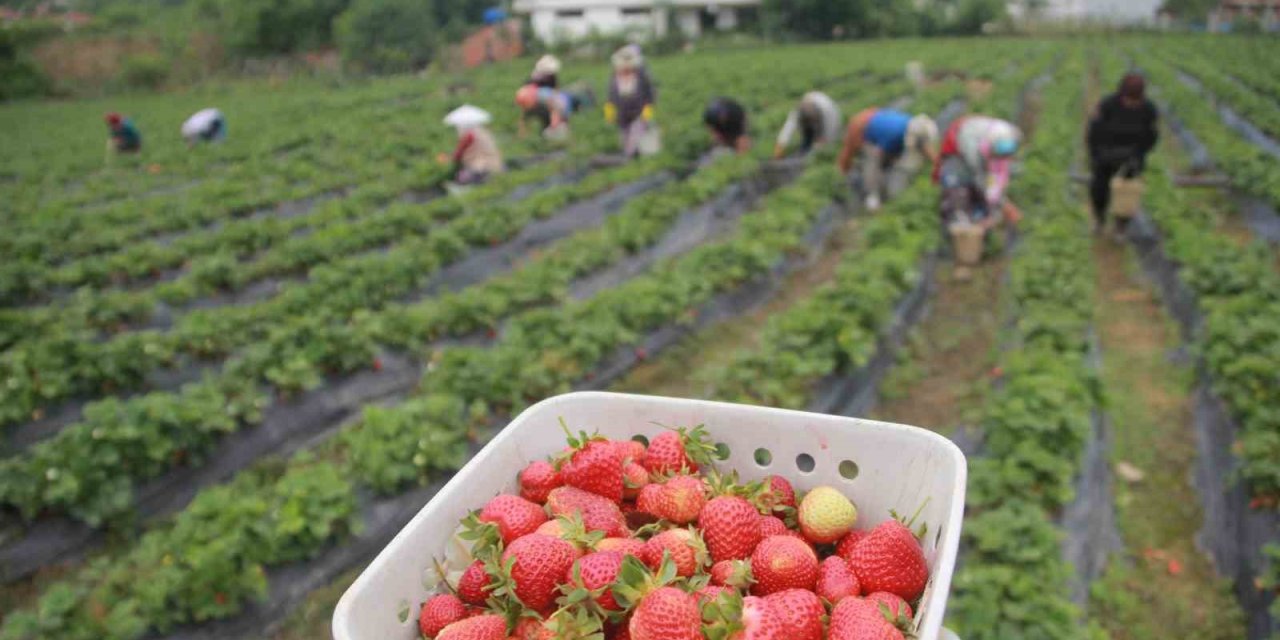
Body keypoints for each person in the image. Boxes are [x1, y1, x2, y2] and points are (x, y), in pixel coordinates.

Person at [934, 115, 1022, 277]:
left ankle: (978, 242)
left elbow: (996, 177)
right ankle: (959, 255)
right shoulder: (972, 144)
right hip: (958, 159)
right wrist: (1003, 204)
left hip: (978, 159)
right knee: (958, 201)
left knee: (981, 204)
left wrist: (997, 201)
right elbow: (980, 179)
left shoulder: (1006, 135)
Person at [1087, 72, 1159, 233]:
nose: (1132, 103)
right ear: (1122, 94)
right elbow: (1094, 133)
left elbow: (1151, 136)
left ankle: (1121, 226)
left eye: (1136, 100)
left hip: (1131, 157)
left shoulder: (1148, 109)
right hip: (1106, 155)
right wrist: (1096, 155)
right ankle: (1099, 220)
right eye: (1129, 99)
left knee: (1127, 194)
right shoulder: (1107, 105)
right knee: (1099, 190)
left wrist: (1139, 154)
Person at [837, 108, 940, 211]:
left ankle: (882, 187)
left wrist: (937, 163)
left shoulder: (914, 128)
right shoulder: (892, 135)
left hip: (877, 120)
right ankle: (872, 197)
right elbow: (877, 158)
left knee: (889, 161)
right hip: (864, 129)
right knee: (872, 161)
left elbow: (923, 145)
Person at [605, 45, 657, 158]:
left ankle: (629, 158)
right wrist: (609, 114)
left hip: (639, 113)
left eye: (628, 60)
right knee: (624, 140)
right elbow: (610, 97)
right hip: (622, 116)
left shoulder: (641, 76)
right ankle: (631, 157)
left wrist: (647, 111)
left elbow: (650, 95)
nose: (625, 64)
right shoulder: (615, 77)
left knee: (634, 138)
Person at [443, 105, 503, 186]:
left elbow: (458, 155)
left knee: (460, 178)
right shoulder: (483, 132)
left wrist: (448, 159)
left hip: (480, 167)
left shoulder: (469, 136)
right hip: (497, 164)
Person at [773, 91, 842, 160]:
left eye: (811, 121)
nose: (810, 122)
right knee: (806, 145)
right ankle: (805, 150)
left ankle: (811, 154)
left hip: (828, 123)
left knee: (822, 146)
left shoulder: (828, 112)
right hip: (811, 111)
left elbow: (828, 137)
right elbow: (787, 130)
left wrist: (820, 146)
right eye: (808, 121)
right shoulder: (799, 112)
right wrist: (780, 147)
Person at [516, 83, 589, 139]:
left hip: (563, 105)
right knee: (546, 133)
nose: (523, 106)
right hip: (551, 111)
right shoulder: (529, 103)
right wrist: (522, 133)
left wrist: (554, 124)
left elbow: (556, 108)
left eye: (524, 103)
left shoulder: (543, 96)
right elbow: (524, 119)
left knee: (555, 132)